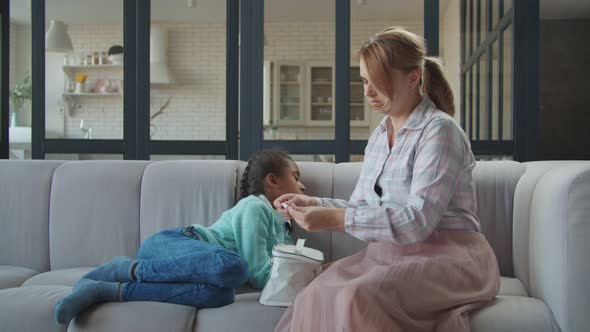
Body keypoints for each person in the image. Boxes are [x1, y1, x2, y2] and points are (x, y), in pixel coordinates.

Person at [273, 27, 500, 332]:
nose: (367, 92)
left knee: (355, 297)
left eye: (378, 83)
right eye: (365, 81)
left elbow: (418, 221)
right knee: (314, 293)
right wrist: (313, 203)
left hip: (450, 258)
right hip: (391, 255)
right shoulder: (380, 136)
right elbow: (363, 207)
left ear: (413, 78)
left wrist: (333, 219)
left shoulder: (440, 131)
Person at [54, 150, 305, 324]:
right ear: (273, 181)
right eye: (295, 177)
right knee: (234, 267)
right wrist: (301, 268)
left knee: (221, 295)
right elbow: (259, 274)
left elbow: (280, 277)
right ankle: (124, 268)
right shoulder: (255, 207)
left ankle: (108, 290)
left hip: (189, 272)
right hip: (174, 244)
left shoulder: (284, 229)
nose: (303, 187)